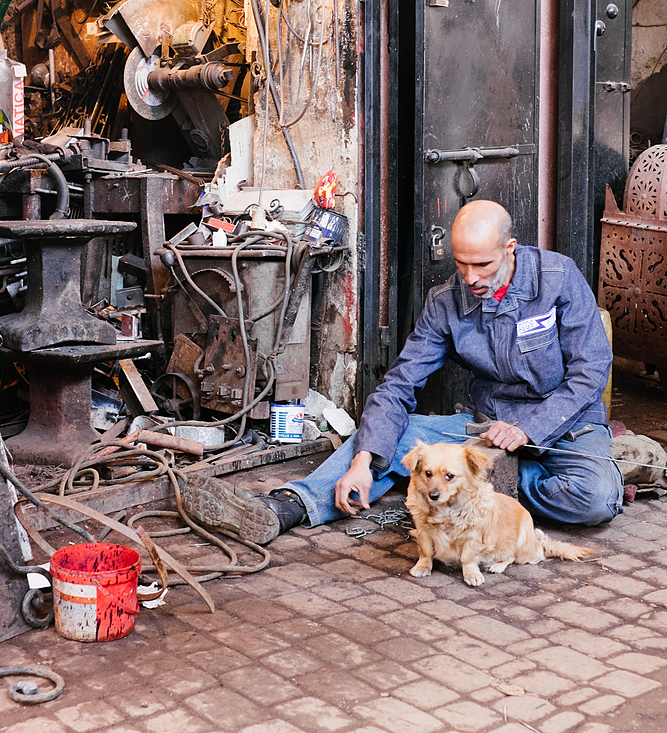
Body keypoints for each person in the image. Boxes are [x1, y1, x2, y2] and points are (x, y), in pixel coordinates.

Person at [183, 200, 623, 544]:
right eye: (461, 263)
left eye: (483, 265)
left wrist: (529, 429)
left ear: (510, 250)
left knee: (596, 497)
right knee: (393, 435)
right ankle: (286, 507)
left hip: (566, 428)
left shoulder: (558, 277)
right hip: (484, 432)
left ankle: (484, 489)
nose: (470, 277)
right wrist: (363, 461)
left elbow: (590, 371)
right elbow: (398, 386)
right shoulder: (445, 302)